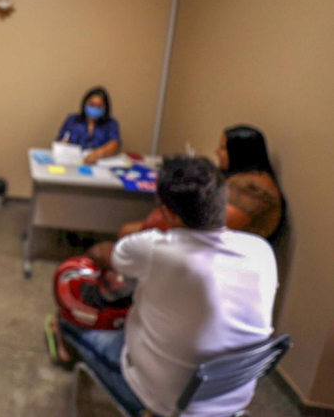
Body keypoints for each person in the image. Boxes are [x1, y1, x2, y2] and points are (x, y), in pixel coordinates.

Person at [48, 156, 277, 416]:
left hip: (164, 405)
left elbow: (105, 254)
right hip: (230, 400)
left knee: (68, 321)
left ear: (168, 212)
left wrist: (96, 252)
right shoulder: (260, 250)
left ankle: (66, 339)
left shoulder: (155, 248)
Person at [120, 125, 284, 242]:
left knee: (130, 231)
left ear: (240, 153)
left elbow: (211, 223)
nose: (217, 152)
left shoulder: (256, 192)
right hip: (198, 237)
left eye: (223, 148)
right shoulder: (242, 177)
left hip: (209, 246)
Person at [56, 86, 121, 165]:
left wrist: (97, 154)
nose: (94, 108)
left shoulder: (110, 124)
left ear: (105, 108)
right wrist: (63, 144)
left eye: (99, 106)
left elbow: (115, 144)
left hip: (98, 165)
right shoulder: (72, 120)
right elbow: (60, 140)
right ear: (85, 103)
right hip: (73, 164)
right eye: (91, 104)